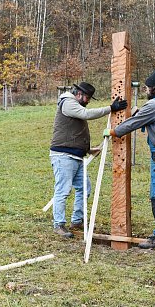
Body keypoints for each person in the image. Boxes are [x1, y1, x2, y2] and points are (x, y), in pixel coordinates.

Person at [103, 70, 155, 249]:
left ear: (152, 88)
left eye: (146, 87)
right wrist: (140, 113)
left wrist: (114, 131)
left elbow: (133, 123)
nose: (145, 90)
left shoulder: (153, 105)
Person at [50, 82, 127, 238]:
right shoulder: (68, 102)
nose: (88, 101)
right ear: (79, 94)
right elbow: (86, 114)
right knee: (63, 191)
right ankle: (59, 224)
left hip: (76, 156)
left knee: (84, 188)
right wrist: (111, 108)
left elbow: (72, 132)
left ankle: (77, 221)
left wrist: (87, 150)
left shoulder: (74, 105)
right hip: (64, 156)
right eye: (87, 97)